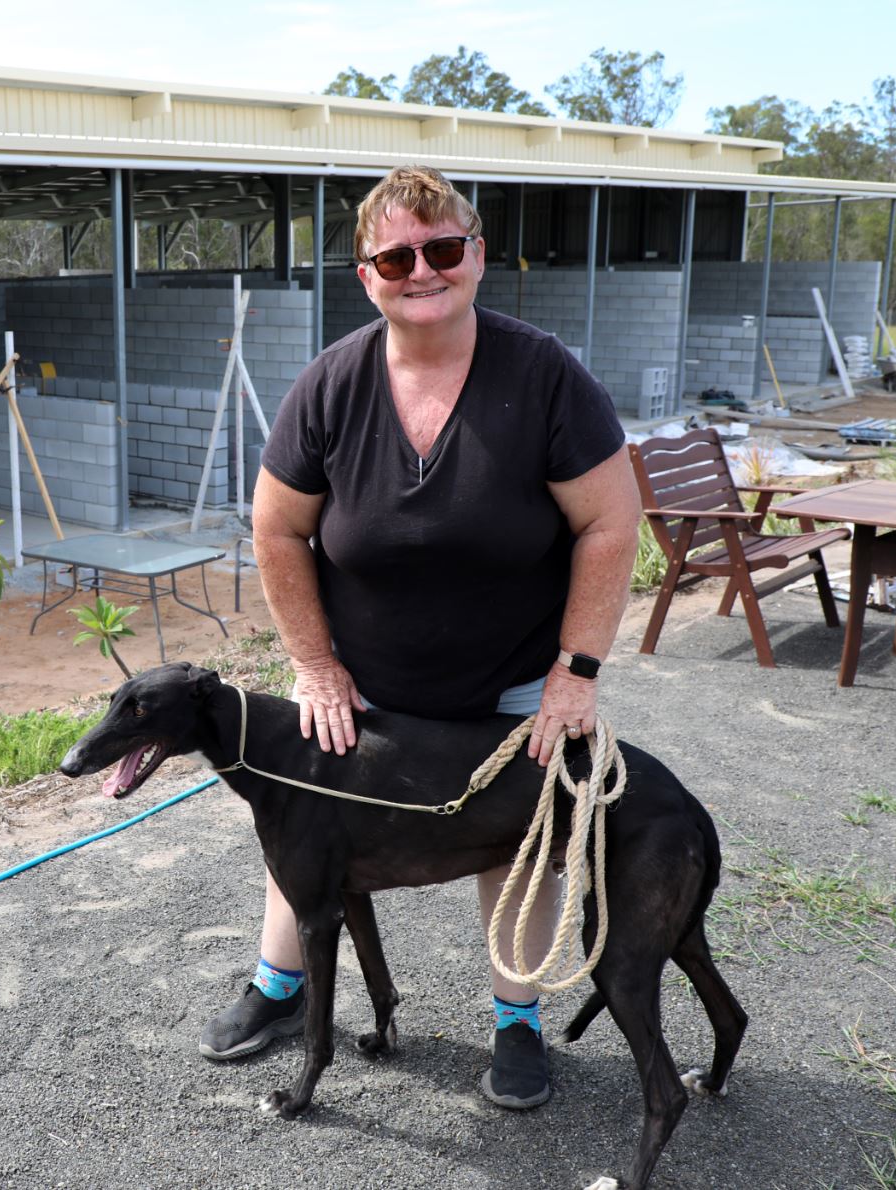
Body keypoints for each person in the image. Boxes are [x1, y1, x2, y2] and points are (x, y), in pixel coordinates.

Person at [199, 165, 640, 1111]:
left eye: (443, 250)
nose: (423, 271)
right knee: (303, 822)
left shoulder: (546, 377)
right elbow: (277, 529)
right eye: (397, 256)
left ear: (478, 255)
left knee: (519, 843)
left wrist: (577, 673)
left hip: (516, 682)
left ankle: (516, 1020)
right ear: (367, 273)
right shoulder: (332, 385)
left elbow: (611, 525)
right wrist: (313, 665)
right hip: (365, 686)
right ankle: (281, 987)